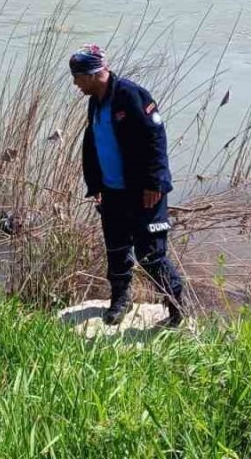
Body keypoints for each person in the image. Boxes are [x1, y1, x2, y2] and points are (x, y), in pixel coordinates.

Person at [71, 44, 185, 327]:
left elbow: (155, 138)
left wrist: (155, 182)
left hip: (145, 191)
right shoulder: (95, 100)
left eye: (78, 77)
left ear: (94, 73)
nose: (75, 83)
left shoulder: (130, 94)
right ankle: (120, 301)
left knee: (151, 255)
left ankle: (177, 305)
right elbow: (95, 143)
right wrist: (95, 184)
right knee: (117, 249)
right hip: (112, 192)